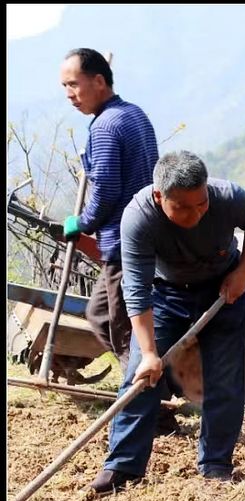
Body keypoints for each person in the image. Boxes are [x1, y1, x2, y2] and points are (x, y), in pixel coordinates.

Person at [89, 151, 245, 494]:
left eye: (201, 204)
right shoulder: (139, 218)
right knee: (141, 375)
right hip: (166, 294)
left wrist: (242, 272)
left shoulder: (228, 197)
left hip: (223, 292)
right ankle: (123, 466)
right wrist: (148, 353)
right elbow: (137, 290)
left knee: (225, 379)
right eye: (184, 207)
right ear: (160, 197)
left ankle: (216, 464)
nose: (196, 213)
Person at [60, 48, 159, 370]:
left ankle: (148, 395)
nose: (69, 94)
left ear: (99, 81)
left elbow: (106, 191)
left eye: (74, 84)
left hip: (125, 241)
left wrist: (83, 222)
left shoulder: (105, 127)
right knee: (102, 315)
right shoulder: (134, 114)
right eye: (65, 86)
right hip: (146, 233)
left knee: (123, 329)